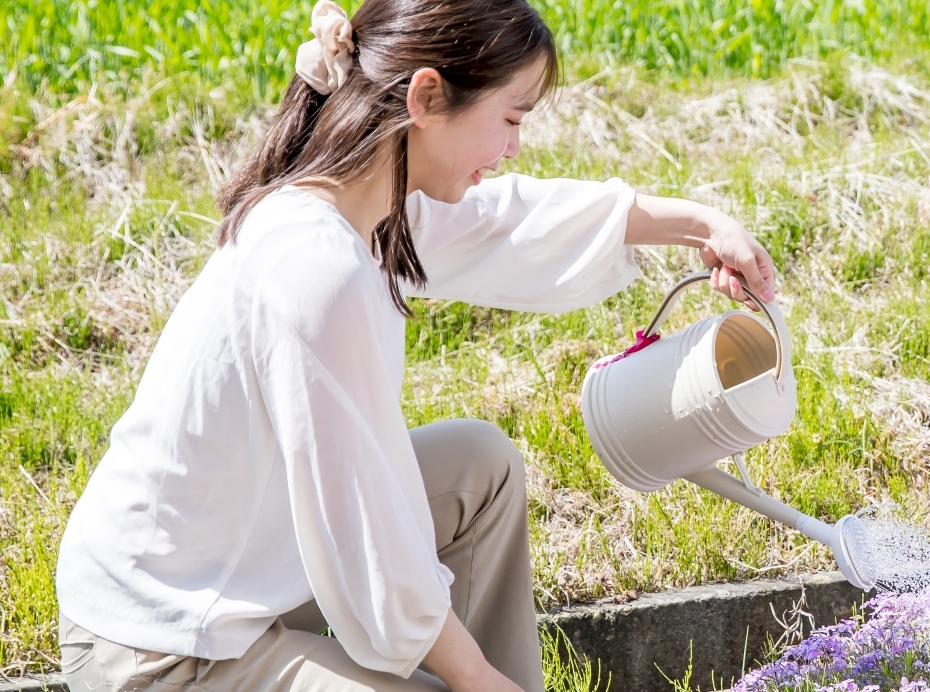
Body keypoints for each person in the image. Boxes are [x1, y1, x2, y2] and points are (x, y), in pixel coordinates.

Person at [51, 1, 778, 691]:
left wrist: (701, 224)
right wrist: (472, 676)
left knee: (478, 466)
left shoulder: (363, 210)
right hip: (164, 645)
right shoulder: (316, 269)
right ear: (426, 97)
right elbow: (369, 532)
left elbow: (512, 223)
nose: (514, 147)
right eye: (511, 118)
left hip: (244, 572)